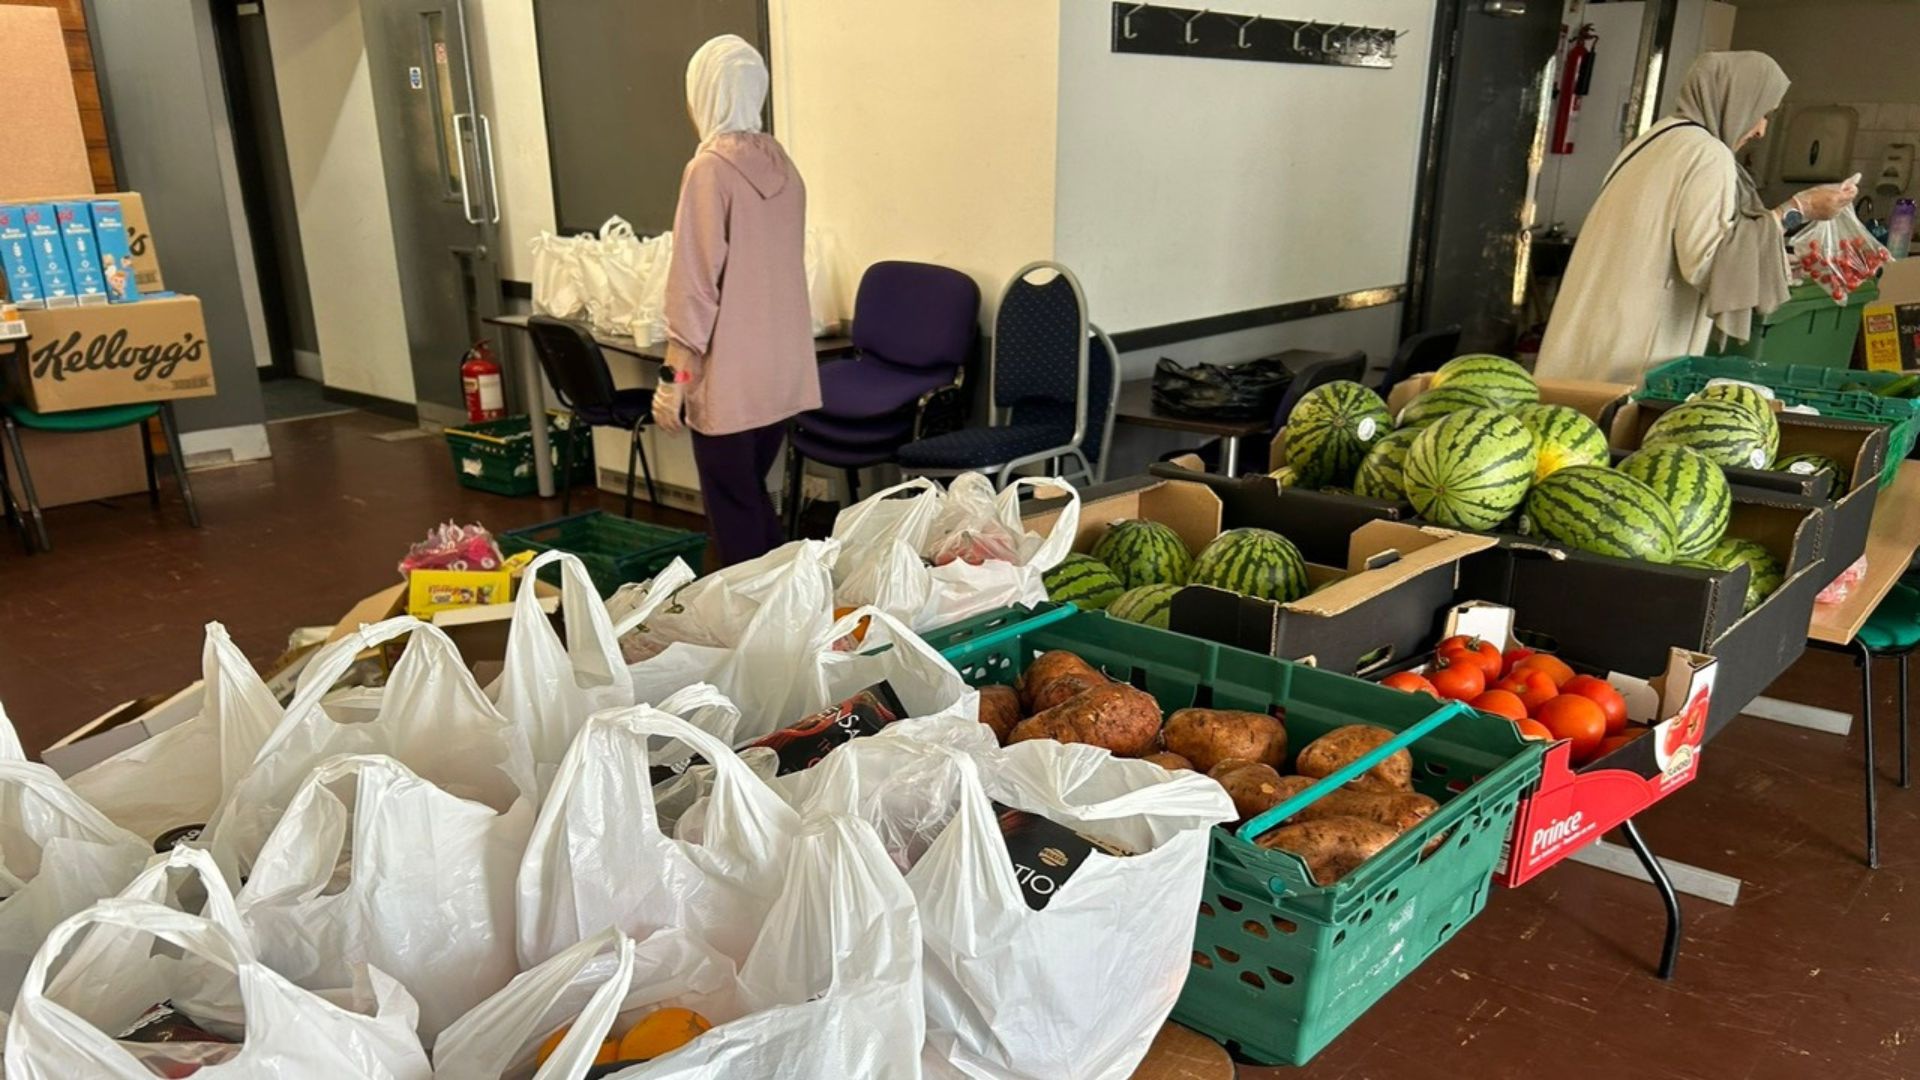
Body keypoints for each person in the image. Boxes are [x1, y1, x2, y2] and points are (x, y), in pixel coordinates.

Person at [1535, 52, 1858, 384]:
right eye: (1762, 113)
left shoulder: (1656, 138)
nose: (1761, 130)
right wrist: (1798, 209)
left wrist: (1774, 258)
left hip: (1588, 333)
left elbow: (1673, 239)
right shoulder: (1707, 153)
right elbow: (1706, 262)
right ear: (1736, 99)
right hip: (1631, 349)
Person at [654, 35, 820, 566]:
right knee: (749, 494)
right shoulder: (784, 167)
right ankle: (785, 602)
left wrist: (672, 382)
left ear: (705, 92)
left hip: (728, 377)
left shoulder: (709, 170)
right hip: (779, 374)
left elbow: (696, 283)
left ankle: (762, 619)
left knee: (733, 506)